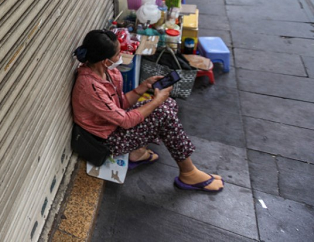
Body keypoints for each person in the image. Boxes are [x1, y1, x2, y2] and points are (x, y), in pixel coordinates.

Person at [71, 30, 224, 192]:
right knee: (163, 112)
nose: (121, 56)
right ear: (104, 61)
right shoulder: (90, 87)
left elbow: (121, 104)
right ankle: (188, 172)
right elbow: (126, 121)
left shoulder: (109, 72)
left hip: (114, 125)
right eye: (117, 54)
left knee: (168, 104)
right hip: (105, 141)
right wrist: (156, 100)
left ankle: (136, 153)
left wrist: (143, 87)